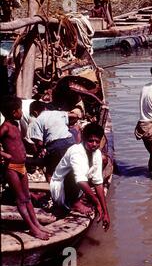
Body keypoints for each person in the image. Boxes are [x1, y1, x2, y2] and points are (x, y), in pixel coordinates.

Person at [0, 97, 52, 240]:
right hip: (12, 168)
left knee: (27, 197)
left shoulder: (16, 125)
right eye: (19, 110)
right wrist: (4, 154)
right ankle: (32, 229)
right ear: (13, 112)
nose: (22, 112)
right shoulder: (5, 127)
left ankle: (36, 224)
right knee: (21, 199)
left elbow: (19, 142)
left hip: (22, 166)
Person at [50, 122, 110, 231]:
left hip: (77, 188)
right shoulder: (76, 151)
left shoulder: (96, 153)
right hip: (60, 189)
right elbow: (81, 181)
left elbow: (98, 183)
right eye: (91, 141)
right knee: (75, 173)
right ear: (84, 139)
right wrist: (97, 203)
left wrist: (105, 212)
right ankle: (74, 203)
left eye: (97, 141)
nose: (94, 144)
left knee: (101, 162)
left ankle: (80, 197)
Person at [29, 106, 78, 181]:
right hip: (70, 141)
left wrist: (40, 151)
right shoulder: (56, 113)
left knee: (50, 173)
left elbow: (39, 143)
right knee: (70, 170)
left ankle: (53, 191)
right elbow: (75, 116)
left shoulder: (37, 120)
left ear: (35, 112)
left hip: (56, 145)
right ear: (45, 108)